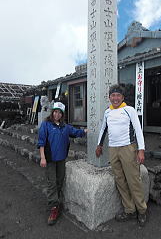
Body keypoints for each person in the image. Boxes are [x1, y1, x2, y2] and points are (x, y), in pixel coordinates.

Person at [95, 84, 147, 227]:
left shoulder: (129, 110)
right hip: (113, 149)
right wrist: (99, 145)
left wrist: (141, 149)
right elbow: (103, 129)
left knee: (133, 180)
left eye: (118, 95)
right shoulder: (107, 112)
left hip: (128, 148)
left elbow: (138, 129)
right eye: (113, 95)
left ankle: (142, 210)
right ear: (109, 97)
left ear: (122, 97)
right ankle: (129, 210)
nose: (115, 98)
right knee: (120, 180)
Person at [37, 102, 87, 225]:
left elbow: (76, 132)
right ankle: (54, 208)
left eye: (59, 112)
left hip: (61, 159)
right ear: (52, 112)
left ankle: (57, 202)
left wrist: (86, 130)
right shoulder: (46, 124)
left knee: (59, 181)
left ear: (62, 114)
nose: (57, 114)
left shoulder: (65, 127)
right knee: (52, 183)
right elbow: (41, 142)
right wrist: (42, 157)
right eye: (55, 111)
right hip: (49, 159)